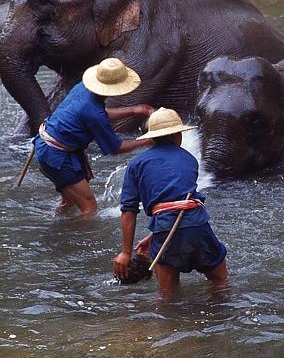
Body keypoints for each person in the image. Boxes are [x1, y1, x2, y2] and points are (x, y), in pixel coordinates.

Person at [113, 107, 228, 299]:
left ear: (153, 137)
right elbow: (180, 200)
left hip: (166, 228)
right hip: (198, 225)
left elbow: (129, 211)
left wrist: (126, 252)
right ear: (177, 135)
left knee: (167, 294)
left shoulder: (136, 164)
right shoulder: (190, 159)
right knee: (220, 280)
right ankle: (223, 315)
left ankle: (167, 324)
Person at [34, 58, 154, 214]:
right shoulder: (93, 112)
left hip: (47, 146)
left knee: (69, 200)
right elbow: (115, 148)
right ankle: (78, 237)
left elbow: (97, 115)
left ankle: (59, 224)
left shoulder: (82, 88)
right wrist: (146, 141)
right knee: (89, 206)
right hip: (57, 156)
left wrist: (133, 110)